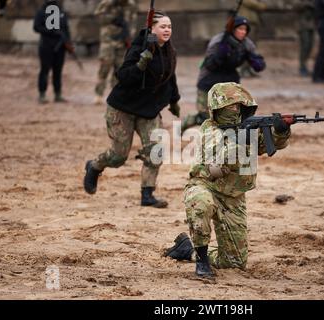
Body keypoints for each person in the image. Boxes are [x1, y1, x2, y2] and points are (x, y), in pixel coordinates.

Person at [164, 82, 291, 277]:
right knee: (200, 204)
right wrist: (241, 141)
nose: (235, 110)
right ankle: (202, 259)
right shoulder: (209, 129)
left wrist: (280, 131)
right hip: (205, 187)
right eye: (230, 106)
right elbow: (218, 164)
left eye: (238, 107)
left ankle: (187, 251)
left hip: (233, 196)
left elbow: (269, 145)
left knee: (234, 263)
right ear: (217, 109)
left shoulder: (245, 130)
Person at [83, 11, 181, 208]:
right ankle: (94, 166)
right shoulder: (140, 48)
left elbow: (170, 77)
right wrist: (140, 65)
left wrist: (174, 101)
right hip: (123, 108)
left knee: (156, 151)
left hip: (149, 111)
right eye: (162, 26)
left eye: (169, 26)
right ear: (151, 29)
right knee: (119, 156)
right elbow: (123, 77)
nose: (167, 30)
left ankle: (147, 194)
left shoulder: (169, 51)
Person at [180, 16, 266, 133]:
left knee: (230, 116)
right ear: (233, 29)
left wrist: (254, 59)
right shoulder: (218, 40)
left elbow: (259, 66)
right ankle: (189, 121)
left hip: (230, 80)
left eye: (245, 30)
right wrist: (221, 53)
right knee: (206, 117)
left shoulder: (246, 44)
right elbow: (209, 64)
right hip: (209, 79)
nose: (243, 32)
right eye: (240, 29)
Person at [94, 0, 139, 105]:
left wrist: (129, 37)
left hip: (123, 42)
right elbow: (98, 17)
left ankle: (115, 95)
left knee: (120, 68)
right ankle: (99, 94)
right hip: (108, 41)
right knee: (105, 66)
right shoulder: (107, 3)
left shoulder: (131, 5)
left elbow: (133, 23)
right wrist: (113, 19)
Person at [33, 0, 71, 104]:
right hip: (46, 46)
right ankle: (42, 94)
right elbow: (36, 27)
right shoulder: (41, 12)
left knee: (57, 71)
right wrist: (51, 31)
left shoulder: (61, 12)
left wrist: (68, 43)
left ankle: (58, 94)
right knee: (45, 71)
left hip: (60, 47)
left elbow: (66, 28)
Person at [238, 0, 267, 78]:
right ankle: (243, 70)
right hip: (247, 24)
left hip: (252, 24)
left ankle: (248, 69)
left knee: (251, 48)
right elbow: (259, 6)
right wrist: (261, 4)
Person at [297, 0, 315, 77]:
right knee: (305, 46)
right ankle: (302, 67)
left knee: (309, 46)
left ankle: (305, 66)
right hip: (303, 25)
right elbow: (295, 7)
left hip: (311, 25)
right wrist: (306, 4)